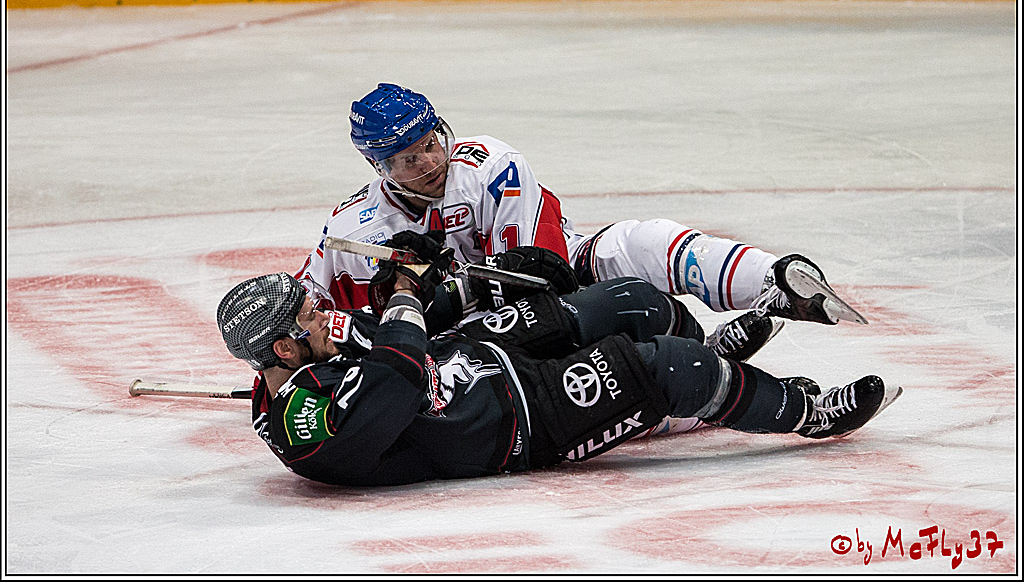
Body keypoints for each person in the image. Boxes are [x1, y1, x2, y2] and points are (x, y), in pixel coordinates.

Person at [294, 83, 860, 365]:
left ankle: (773, 281)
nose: (430, 162)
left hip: (549, 290)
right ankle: (697, 365)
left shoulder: (493, 166)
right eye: (408, 159)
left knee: (640, 242)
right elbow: (299, 301)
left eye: (431, 142)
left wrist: (454, 279)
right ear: (379, 166)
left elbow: (537, 281)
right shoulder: (354, 227)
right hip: (470, 348)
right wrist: (284, 355)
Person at [216, 266, 901, 488]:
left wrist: (443, 290)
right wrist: (401, 299)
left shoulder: (304, 353)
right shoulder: (302, 422)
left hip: (486, 353)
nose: (324, 310)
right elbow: (396, 371)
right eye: (309, 312)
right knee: (668, 368)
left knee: (630, 300)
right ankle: (807, 412)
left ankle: (721, 354)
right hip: (522, 420)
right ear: (279, 344)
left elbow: (387, 330)